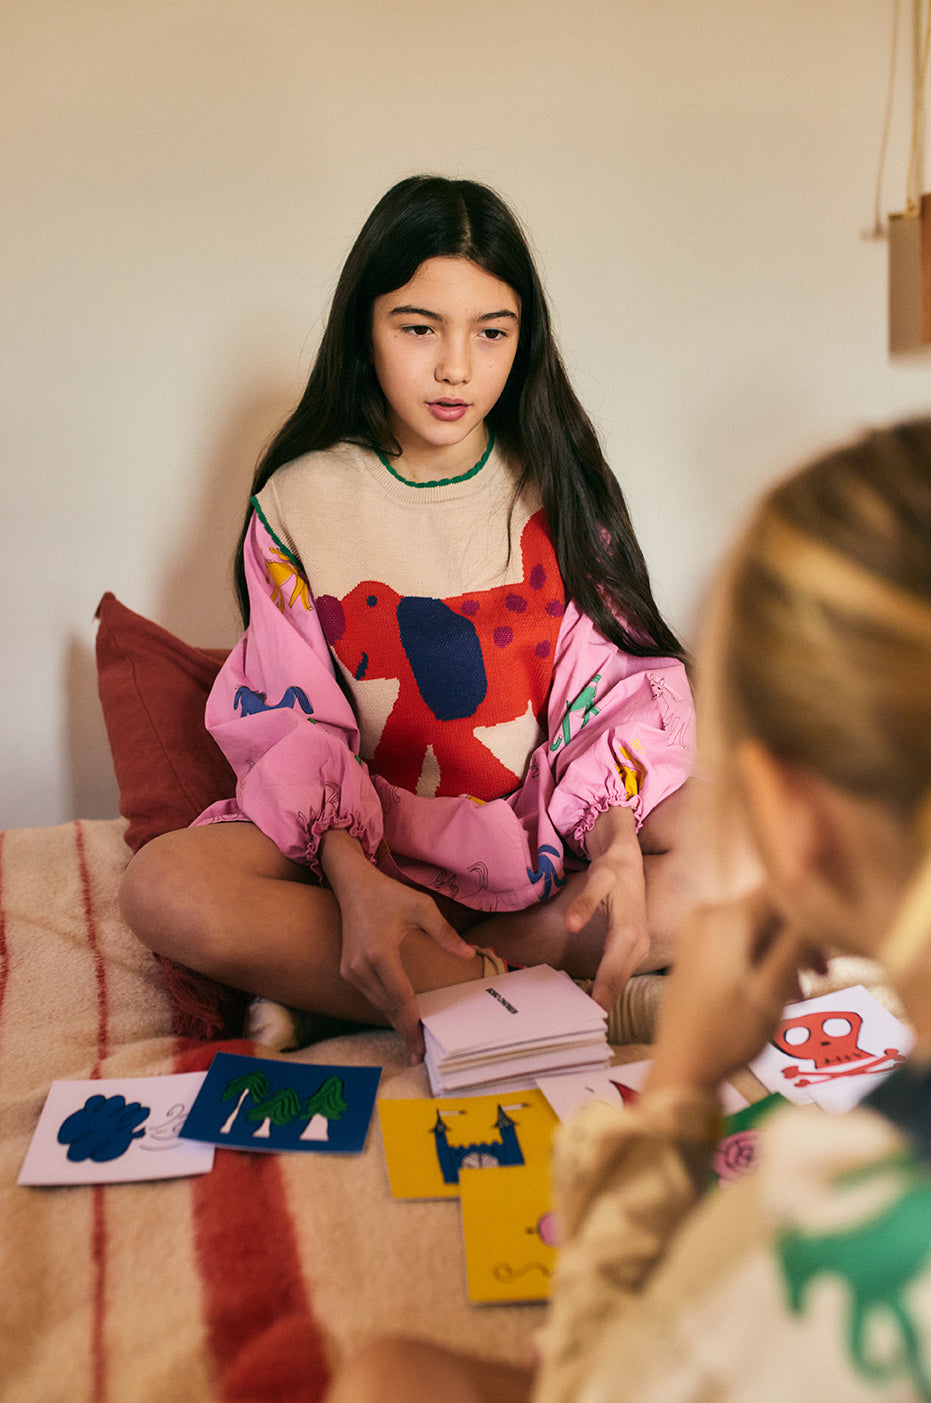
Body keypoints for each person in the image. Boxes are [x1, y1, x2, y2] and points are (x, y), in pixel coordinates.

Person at [321, 417, 931, 1403]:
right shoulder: (312, 514)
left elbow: (591, 1389)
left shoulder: (827, 1224)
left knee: (382, 1386)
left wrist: (676, 1095)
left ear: (787, 818)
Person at [119, 175, 695, 1061]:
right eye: (418, 327)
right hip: (370, 846)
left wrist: (618, 842)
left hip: (539, 835)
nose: (456, 366)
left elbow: (608, 685)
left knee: (752, 833)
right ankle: (551, 993)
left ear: (523, 340)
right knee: (162, 886)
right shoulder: (297, 501)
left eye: (490, 332)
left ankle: (385, 990)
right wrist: (353, 884)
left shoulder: (561, 488)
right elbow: (292, 721)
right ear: (365, 325)